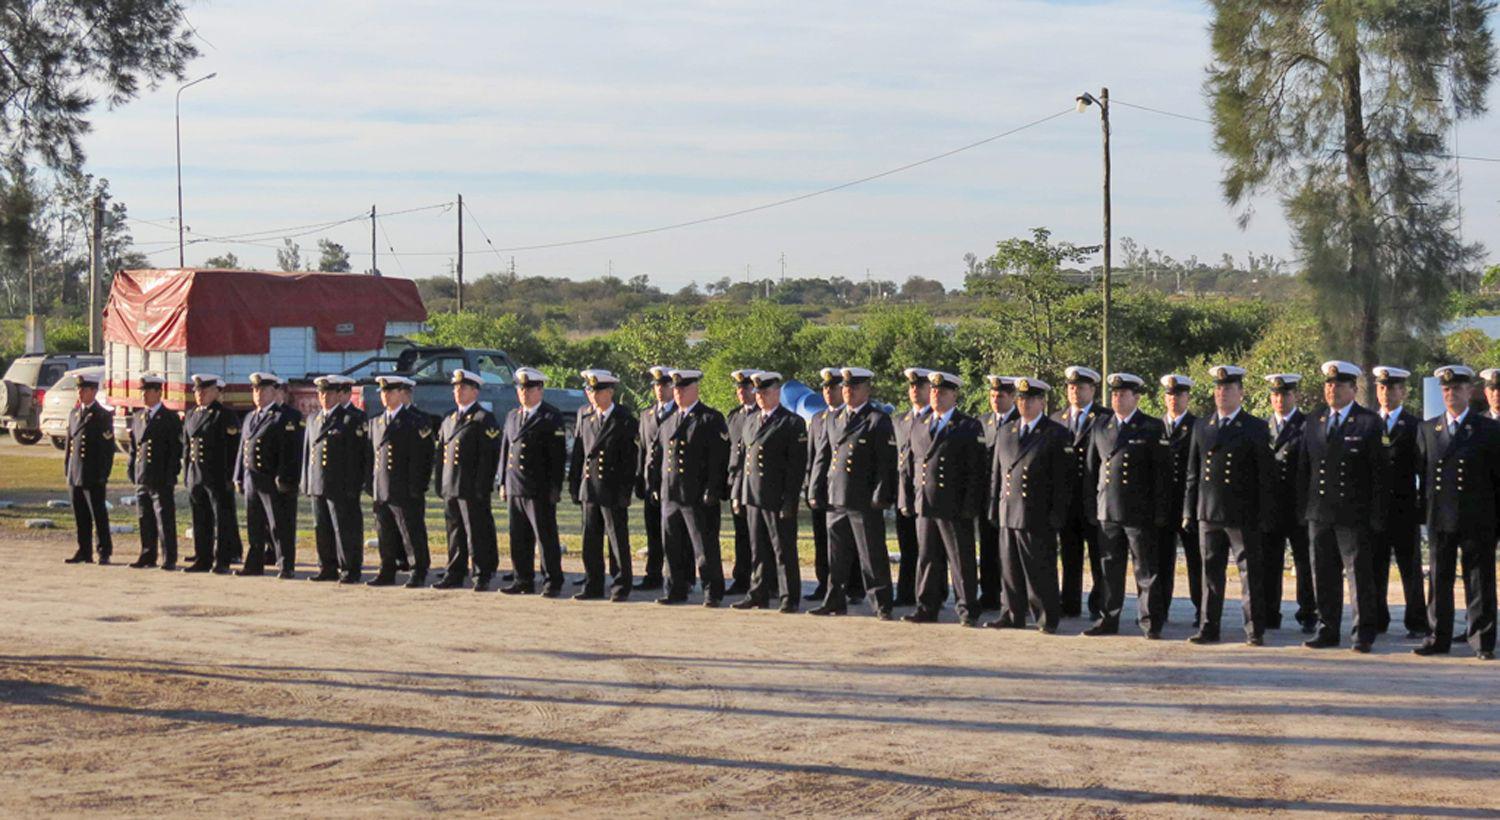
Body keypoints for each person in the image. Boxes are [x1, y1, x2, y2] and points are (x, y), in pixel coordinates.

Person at [1296, 361, 1385, 653]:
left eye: (1338, 384)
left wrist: (1375, 515)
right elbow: (1304, 469)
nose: (1331, 389)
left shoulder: (1368, 422)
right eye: (1328, 384)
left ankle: (1362, 633)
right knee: (1322, 573)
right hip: (1319, 512)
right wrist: (1303, 509)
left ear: (1353, 389)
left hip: (1353, 513)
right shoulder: (1314, 419)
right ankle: (1327, 628)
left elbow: (1377, 475)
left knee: (1358, 575)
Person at [1183, 364, 1274, 645]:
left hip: (1242, 513)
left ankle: (1254, 629)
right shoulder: (1202, 425)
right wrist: (1189, 510)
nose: (1222, 393)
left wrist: (1265, 514)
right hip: (1208, 511)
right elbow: (1193, 474)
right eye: (1218, 388)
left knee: (1250, 574)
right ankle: (1209, 627)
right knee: (1210, 573)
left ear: (1241, 393)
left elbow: (1265, 476)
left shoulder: (1255, 427)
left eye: (1228, 389)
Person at [1413, 365, 1498, 661]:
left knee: (1478, 580)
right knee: (1439, 579)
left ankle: (1482, 640)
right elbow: (1423, 477)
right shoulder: (1428, 429)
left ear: (1470, 392)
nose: (1451, 394)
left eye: (1457, 389)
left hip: (1478, 517)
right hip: (1441, 516)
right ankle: (1438, 636)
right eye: (1446, 390)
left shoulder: (1487, 429)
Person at [1083, 373, 1171, 638]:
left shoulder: (1151, 427)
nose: (1117, 398)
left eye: (1123, 394)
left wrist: (1160, 511)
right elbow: (1091, 470)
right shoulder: (1100, 426)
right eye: (1114, 394)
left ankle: (1149, 621)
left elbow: (1161, 475)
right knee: (1110, 569)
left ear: (1137, 397)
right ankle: (1108, 619)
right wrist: (1092, 507)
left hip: (1139, 511)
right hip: (1107, 509)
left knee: (1145, 571)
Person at [809, 367, 898, 619]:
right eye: (845, 387)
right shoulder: (834, 419)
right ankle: (834, 600)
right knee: (836, 555)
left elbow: (885, 463)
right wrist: (817, 488)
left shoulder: (877, 420)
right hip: (836, 496)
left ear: (866, 390)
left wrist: (881, 494)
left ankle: (881, 603)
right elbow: (823, 457)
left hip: (863, 498)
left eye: (854, 387)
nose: (848, 391)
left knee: (871, 554)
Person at [902, 372, 986, 627]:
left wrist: (970, 505)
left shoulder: (968, 426)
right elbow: (910, 465)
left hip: (954, 505)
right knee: (927, 557)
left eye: (943, 392)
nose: (936, 395)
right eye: (934, 391)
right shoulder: (921, 423)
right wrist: (908, 497)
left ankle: (967, 608)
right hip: (925, 502)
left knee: (960, 559)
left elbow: (976, 471)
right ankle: (926, 606)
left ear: (954, 395)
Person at [986, 377, 1069, 633]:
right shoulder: (1006, 431)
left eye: (1030, 399)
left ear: (1042, 402)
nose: (1025, 403)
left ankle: (1046, 617)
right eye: (1021, 398)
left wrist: (1057, 514)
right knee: (1009, 569)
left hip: (1037, 513)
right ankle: (1012, 614)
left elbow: (1063, 481)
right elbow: (996, 475)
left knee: (1039, 570)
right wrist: (993, 507)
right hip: (1008, 509)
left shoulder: (1055, 433)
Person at [650, 369, 730, 606]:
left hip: (696, 495)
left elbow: (718, 459)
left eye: (683, 388)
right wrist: (655, 485)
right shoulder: (669, 420)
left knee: (704, 547)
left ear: (695, 389)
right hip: (671, 493)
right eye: (675, 389)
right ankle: (675, 588)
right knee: (672, 545)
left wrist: (713, 489)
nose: (678, 392)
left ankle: (712, 591)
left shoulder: (709, 418)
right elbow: (658, 456)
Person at [731, 371, 807, 614]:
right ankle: (758, 593)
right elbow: (744, 460)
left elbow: (795, 467)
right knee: (757, 549)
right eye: (758, 393)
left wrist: (790, 500)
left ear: (777, 392)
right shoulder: (751, 420)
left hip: (777, 496)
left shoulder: (791, 422)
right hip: (753, 494)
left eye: (765, 392)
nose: (760, 397)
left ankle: (788, 596)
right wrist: (738, 493)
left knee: (783, 550)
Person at [567, 369, 638, 601]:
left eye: (597, 391)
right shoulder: (584, 415)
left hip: (612, 488)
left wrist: (625, 491)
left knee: (616, 539)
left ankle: (620, 585)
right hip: (589, 486)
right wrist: (575, 484)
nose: (593, 396)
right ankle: (593, 583)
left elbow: (629, 459)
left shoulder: (623, 418)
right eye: (589, 391)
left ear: (610, 392)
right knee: (590, 540)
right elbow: (579, 453)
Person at [498, 367, 568, 596]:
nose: (524, 393)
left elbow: (557, 458)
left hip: (539, 487)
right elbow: (505, 450)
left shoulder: (550, 416)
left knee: (545, 537)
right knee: (518, 537)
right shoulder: (513, 416)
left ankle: (552, 580)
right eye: (520, 388)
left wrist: (555, 487)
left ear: (540, 390)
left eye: (529, 389)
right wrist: (502, 482)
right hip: (515, 485)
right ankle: (523, 579)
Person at [1370, 365, 1428, 638]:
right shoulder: (1369, 423)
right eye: (1382, 387)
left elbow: (1422, 469)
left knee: (1410, 569)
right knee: (1376, 567)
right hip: (1376, 509)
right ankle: (1378, 619)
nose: (1386, 392)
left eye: (1392, 387)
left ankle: (1416, 621)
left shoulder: (1415, 425)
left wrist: (1422, 507)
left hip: (1405, 508)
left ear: (1403, 391)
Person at [434, 369, 503, 591]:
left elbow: (488, 457)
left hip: (471, 487)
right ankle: (455, 571)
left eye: (462, 387)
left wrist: (482, 486)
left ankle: (481, 573)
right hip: (451, 485)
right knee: (454, 532)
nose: (458, 391)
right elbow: (441, 455)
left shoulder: (483, 419)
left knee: (476, 532)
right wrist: (440, 483)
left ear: (475, 391)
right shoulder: (449, 419)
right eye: (455, 387)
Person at [1052, 365, 1110, 619]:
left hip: (1094, 499)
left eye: (1081, 387)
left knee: (1099, 557)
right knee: (1069, 555)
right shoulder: (1056, 419)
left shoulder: (1104, 418)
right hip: (1067, 500)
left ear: (1093, 390)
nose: (1075, 391)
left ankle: (1099, 605)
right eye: (1071, 387)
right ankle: (1070, 603)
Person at [366, 375, 436, 587]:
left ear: (400, 393)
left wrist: (418, 485)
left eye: (390, 392)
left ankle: (418, 570)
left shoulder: (415, 420)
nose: (385, 396)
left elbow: (425, 456)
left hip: (405, 487)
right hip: (382, 486)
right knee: (384, 531)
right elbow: (371, 455)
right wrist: (371, 484)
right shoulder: (376, 422)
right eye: (383, 393)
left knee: (411, 531)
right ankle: (387, 569)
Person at [233, 372, 302, 578]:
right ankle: (254, 564)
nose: (258, 393)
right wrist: (238, 474)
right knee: (254, 524)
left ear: (275, 391)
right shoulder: (250, 417)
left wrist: (285, 477)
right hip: (252, 478)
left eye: (263, 389)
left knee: (279, 524)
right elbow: (242, 448)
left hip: (273, 479)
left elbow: (291, 451)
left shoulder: (285, 416)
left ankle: (285, 565)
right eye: (255, 389)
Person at [304, 374, 371, 584]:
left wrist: (357, 483)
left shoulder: (351, 419)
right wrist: (306, 482)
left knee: (344, 528)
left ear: (338, 394)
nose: (323, 397)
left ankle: (350, 568)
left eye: (329, 393)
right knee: (321, 527)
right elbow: (308, 454)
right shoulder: (313, 419)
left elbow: (361, 455)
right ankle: (327, 566)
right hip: (318, 482)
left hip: (342, 484)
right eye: (321, 393)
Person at [804, 367, 862, 602]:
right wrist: (810, 486)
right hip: (823, 488)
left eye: (833, 387)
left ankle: (855, 586)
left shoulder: (851, 418)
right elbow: (812, 456)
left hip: (847, 489)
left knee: (852, 541)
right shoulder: (818, 419)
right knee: (822, 539)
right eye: (825, 388)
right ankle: (824, 582)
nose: (828, 392)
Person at [1262, 373, 1315, 631]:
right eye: (1275, 395)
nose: (1280, 399)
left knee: (1304, 563)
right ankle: (1270, 613)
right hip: (1272, 506)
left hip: (1298, 506)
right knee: (1270, 563)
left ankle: (1307, 614)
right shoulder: (1264, 426)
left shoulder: (1307, 425)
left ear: (1294, 396)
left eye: (1285, 394)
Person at [181, 374, 243, 573]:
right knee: (200, 519)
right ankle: (202, 558)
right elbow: (186, 447)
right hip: (196, 474)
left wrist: (231, 477)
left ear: (216, 392)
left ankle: (223, 560)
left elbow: (233, 450)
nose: (200, 395)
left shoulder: (224, 415)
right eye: (197, 391)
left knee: (222, 519)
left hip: (217, 475)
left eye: (205, 391)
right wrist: (187, 474)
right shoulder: (191, 415)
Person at [126, 372, 181, 570]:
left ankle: (169, 557)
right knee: (145, 517)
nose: (144, 395)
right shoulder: (139, 416)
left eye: (147, 391)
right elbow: (135, 447)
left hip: (161, 475)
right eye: (142, 391)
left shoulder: (169, 418)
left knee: (164, 519)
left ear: (158, 392)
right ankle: (147, 554)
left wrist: (171, 474)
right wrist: (131, 468)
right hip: (142, 474)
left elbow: (175, 450)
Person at [1157, 374, 1200, 627]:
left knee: (1196, 562)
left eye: (1179, 395)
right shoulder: (1155, 426)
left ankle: (1200, 609)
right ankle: (1160, 609)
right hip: (1162, 505)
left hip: (1189, 505)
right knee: (1162, 560)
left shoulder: (1198, 426)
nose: (1174, 399)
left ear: (1187, 397)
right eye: (1170, 395)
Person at [63, 370, 115, 565]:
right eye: (78, 389)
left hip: (93, 473)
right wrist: (68, 468)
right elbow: (70, 444)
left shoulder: (102, 415)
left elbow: (107, 449)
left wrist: (103, 473)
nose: (80, 393)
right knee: (80, 515)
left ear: (93, 391)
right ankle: (84, 550)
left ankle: (104, 551)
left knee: (98, 513)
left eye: (84, 389)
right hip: (76, 471)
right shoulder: (74, 413)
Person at [977, 375, 1019, 611]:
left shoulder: (1020, 420)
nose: (995, 400)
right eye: (992, 395)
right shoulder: (983, 422)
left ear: (1012, 397)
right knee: (988, 547)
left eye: (1001, 395)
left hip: (1012, 496)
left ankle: (1011, 595)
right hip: (987, 495)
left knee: (1010, 549)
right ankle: (989, 593)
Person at [893, 367, 934, 606]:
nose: (914, 390)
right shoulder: (901, 421)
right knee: (907, 546)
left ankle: (932, 593)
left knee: (930, 549)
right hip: (904, 491)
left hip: (927, 492)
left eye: (920, 386)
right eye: (912, 386)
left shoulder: (935, 420)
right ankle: (906, 593)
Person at [633, 365, 675, 591]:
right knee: (652, 531)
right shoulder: (647, 415)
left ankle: (680, 576)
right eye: (656, 385)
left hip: (672, 481)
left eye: (665, 385)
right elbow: (643, 449)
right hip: (652, 482)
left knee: (674, 533)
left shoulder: (678, 412)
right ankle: (653, 574)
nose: (660, 390)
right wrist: (640, 478)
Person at [724, 368, 761, 596]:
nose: (741, 392)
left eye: (745, 387)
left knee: (761, 536)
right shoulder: (734, 416)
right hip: (738, 481)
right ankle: (742, 577)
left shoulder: (763, 414)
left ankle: (766, 580)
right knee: (742, 534)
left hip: (758, 482)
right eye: (739, 388)